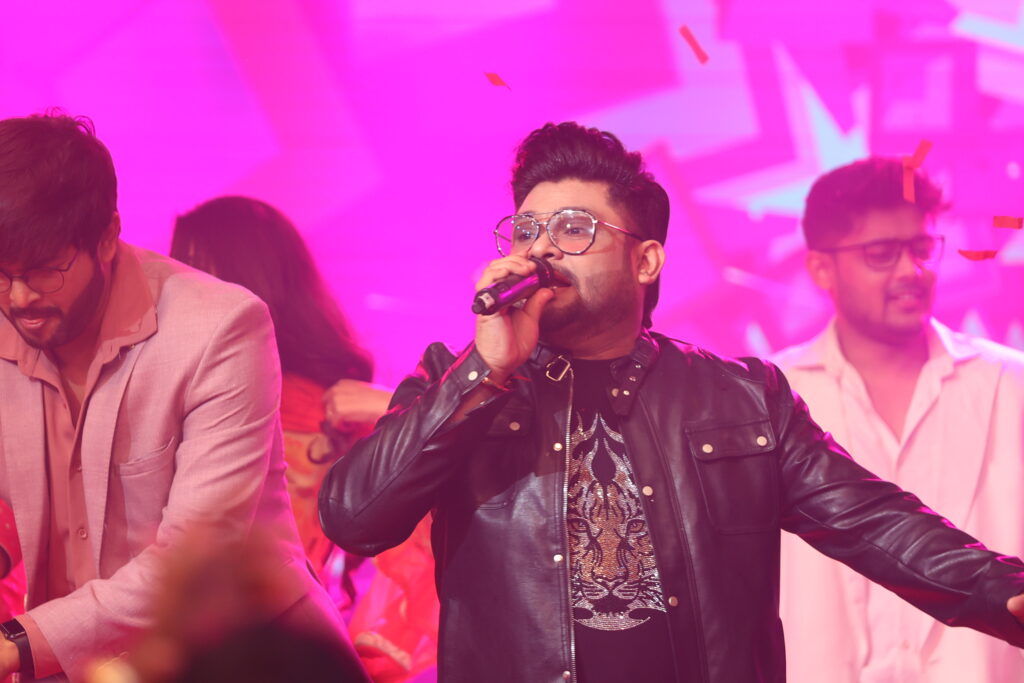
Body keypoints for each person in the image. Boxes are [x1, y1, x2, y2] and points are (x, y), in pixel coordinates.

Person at [319, 121, 1024, 682]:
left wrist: (1002, 590)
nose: (540, 251)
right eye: (527, 230)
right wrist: (484, 371)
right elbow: (354, 517)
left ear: (646, 260)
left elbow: (874, 522)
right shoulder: (458, 380)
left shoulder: (741, 398)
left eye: (573, 229)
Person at [0, 112, 367, 681]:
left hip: (240, 660)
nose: (19, 297)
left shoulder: (218, 328)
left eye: (46, 272)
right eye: (1, 274)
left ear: (107, 235)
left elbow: (192, 562)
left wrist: (17, 645)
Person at [773, 158, 1024, 682]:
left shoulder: (1011, 385)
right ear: (820, 268)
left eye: (922, 248)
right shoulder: (766, 398)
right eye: (882, 254)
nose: (912, 271)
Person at [170, 196, 380, 582]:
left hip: (259, 609)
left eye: (194, 268)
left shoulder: (332, 410)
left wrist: (395, 408)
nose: (177, 290)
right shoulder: (168, 390)